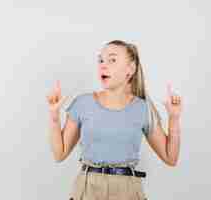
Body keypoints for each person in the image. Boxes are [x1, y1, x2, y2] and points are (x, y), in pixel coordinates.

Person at [46, 40, 183, 200]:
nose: (103, 65)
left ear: (130, 70)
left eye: (112, 60)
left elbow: (170, 157)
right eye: (101, 60)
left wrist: (174, 118)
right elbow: (59, 154)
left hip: (128, 192)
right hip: (87, 190)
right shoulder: (83, 103)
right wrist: (54, 117)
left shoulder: (142, 108)